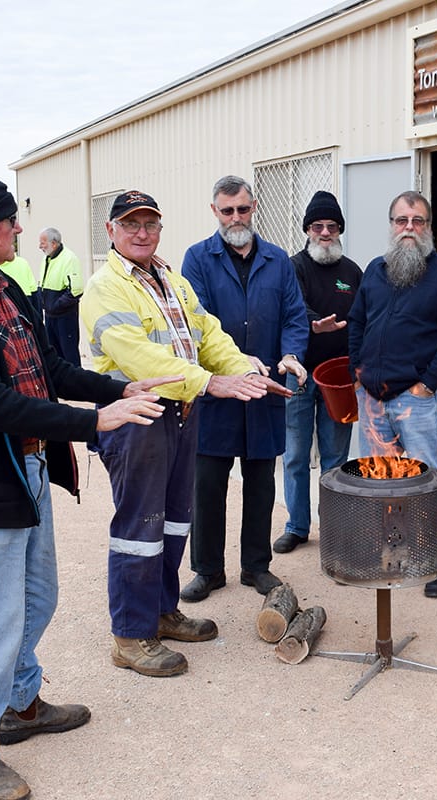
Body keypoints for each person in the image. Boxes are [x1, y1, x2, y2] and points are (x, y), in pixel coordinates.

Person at [0, 167, 174, 800]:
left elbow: (49, 366)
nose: (20, 227)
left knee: (38, 597)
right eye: (9, 219)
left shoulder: (2, 284)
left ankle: (20, 704)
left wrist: (117, 388)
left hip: (23, 465)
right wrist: (94, 421)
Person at [80, 189, 291, 677]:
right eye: (130, 224)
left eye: (150, 223)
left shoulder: (170, 281)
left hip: (180, 414)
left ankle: (161, 611)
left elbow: (208, 334)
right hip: (138, 416)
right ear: (110, 231)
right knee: (140, 528)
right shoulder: (104, 288)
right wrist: (213, 382)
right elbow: (140, 359)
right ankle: (131, 636)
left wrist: (247, 370)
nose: (141, 232)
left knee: (174, 520)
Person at [179, 176, 308, 600]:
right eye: (227, 210)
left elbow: (293, 315)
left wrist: (290, 355)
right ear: (214, 211)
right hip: (218, 391)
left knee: (260, 484)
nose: (236, 217)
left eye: (243, 209)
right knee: (208, 484)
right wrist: (235, 361)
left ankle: (256, 567)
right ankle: (208, 569)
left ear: (254, 209)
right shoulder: (197, 259)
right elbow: (197, 323)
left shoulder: (277, 261)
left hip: (266, 391)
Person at [347, 190, 437, 598]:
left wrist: (429, 383)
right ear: (391, 226)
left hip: (416, 401)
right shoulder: (375, 271)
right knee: (383, 484)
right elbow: (357, 322)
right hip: (373, 401)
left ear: (428, 228)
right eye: (401, 220)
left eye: (417, 221)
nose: (409, 229)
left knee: (430, 481)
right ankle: (392, 553)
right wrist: (356, 373)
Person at [275, 190, 362, 555]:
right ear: (307, 230)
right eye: (317, 226)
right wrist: (315, 325)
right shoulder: (293, 267)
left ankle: (335, 527)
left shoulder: (352, 272)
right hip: (298, 375)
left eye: (331, 226)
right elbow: (292, 309)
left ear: (339, 229)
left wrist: (359, 369)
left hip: (338, 380)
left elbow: (362, 321)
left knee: (334, 457)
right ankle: (297, 526)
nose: (324, 233)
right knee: (295, 455)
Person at [38, 227, 84, 366]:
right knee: (54, 355)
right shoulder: (48, 258)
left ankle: (77, 386)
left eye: (43, 242)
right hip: (50, 316)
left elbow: (76, 291)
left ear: (54, 243)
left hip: (64, 317)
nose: (40, 246)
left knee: (69, 356)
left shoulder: (69, 258)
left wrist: (56, 305)